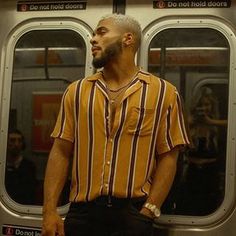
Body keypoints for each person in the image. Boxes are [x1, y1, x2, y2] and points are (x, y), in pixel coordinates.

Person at [42, 14, 190, 236]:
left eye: (101, 32)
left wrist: (149, 210)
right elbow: (61, 151)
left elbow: (168, 156)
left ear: (127, 39)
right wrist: (49, 211)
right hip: (83, 213)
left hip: (132, 213)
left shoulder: (163, 93)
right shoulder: (77, 91)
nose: (93, 39)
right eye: (93, 34)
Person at [183, 87, 224, 215]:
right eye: (201, 105)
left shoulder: (216, 126)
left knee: (208, 205)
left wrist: (211, 122)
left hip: (210, 171)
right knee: (190, 204)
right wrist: (188, 124)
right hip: (192, 171)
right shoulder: (191, 125)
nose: (204, 108)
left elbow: (232, 125)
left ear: (212, 106)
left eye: (207, 105)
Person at [5, 128, 37, 204]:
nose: (16, 144)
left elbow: (30, 194)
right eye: (12, 140)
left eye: (19, 141)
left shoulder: (29, 166)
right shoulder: (2, 165)